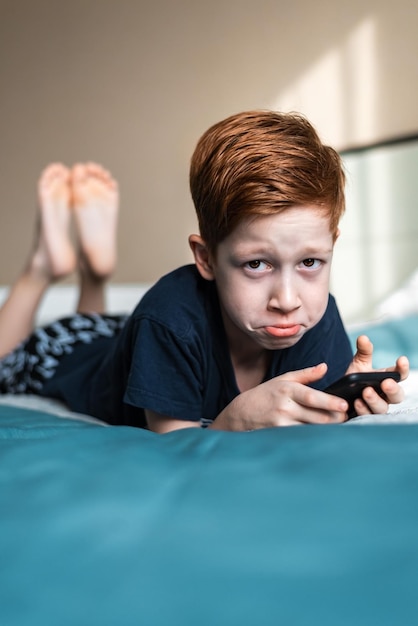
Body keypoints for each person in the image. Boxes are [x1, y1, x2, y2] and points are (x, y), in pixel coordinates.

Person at [0, 111, 409, 432]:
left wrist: (343, 400)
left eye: (309, 262)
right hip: (69, 352)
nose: (287, 300)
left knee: (108, 332)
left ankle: (93, 274)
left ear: (331, 246)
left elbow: (306, 419)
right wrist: (233, 421)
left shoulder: (316, 319)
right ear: (206, 258)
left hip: (124, 337)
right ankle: (44, 268)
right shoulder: (168, 321)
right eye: (256, 264)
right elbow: (173, 441)